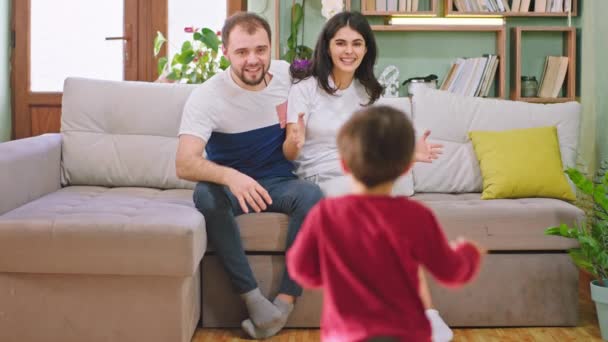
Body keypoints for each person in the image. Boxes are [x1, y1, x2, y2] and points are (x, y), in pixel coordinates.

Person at [282, 10, 451, 342]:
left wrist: (412, 151)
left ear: (366, 49)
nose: (349, 50)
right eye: (341, 43)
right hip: (317, 178)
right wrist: (294, 140)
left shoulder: (368, 92)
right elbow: (291, 153)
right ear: (327, 47)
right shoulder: (305, 90)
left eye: (357, 43)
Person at [176, 12, 323, 339]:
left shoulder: (288, 76)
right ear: (225, 52)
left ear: (271, 48)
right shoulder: (207, 96)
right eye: (242, 52)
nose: (253, 60)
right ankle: (254, 301)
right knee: (205, 195)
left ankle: (282, 305)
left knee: (313, 196)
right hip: (232, 188)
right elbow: (185, 163)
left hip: (279, 183)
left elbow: (332, 85)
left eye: (261, 49)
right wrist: (231, 177)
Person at [286, 105, 485, 342]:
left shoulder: (325, 214)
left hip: (346, 334)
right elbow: (451, 271)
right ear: (407, 166)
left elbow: (301, 270)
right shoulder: (417, 216)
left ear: (344, 165)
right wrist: (469, 253)